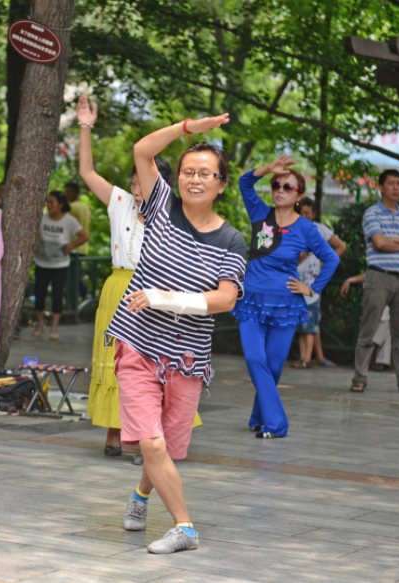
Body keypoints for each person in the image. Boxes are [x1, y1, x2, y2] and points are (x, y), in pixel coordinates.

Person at [107, 114, 246, 554]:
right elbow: (143, 152)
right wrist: (187, 128)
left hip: (187, 356)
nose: (194, 179)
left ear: (221, 184)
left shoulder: (231, 240)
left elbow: (225, 300)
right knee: (150, 440)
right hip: (138, 343)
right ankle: (185, 527)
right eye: (188, 171)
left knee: (164, 443)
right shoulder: (160, 204)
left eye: (205, 173)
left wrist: (165, 297)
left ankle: (140, 496)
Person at [76, 96, 201, 466]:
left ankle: (152, 440)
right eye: (134, 183)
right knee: (115, 360)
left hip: (155, 292)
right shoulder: (120, 203)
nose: (137, 190)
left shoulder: (177, 217)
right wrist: (85, 125)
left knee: (150, 361)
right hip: (118, 288)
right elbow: (86, 172)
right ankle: (114, 433)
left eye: (143, 184)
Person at [233, 157, 340, 439]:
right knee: (256, 358)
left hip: (286, 304)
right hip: (252, 301)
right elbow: (245, 182)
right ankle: (277, 424)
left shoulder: (307, 228)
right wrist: (268, 168)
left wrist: (312, 289)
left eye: (287, 186)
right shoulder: (259, 213)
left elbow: (330, 259)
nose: (280, 189)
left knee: (274, 365)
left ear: (299, 195)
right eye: (276, 184)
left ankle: (260, 416)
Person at [350, 170, 399, 395]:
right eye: (391, 183)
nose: (396, 187)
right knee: (369, 329)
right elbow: (379, 243)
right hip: (378, 276)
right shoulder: (371, 213)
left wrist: (391, 240)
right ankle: (359, 377)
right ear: (380, 187)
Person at [341, 249, 399, 370]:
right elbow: (371, 274)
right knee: (388, 316)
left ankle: (369, 343)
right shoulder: (386, 256)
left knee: (395, 311)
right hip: (389, 302)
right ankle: (381, 361)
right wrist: (350, 280)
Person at [291, 198, 346, 369]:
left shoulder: (320, 230)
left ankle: (311, 358)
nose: (304, 216)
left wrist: (325, 265)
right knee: (306, 323)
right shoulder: (293, 230)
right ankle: (314, 357)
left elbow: (340, 247)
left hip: (313, 283)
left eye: (307, 213)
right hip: (298, 283)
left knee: (311, 320)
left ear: (314, 214)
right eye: (301, 213)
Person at [32, 191, 88, 341]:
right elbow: (35, 237)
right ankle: (39, 323)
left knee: (57, 295)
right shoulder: (42, 219)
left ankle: (54, 327)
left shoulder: (69, 221)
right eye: (47, 203)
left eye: (52, 202)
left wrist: (70, 246)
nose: (48, 205)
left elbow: (84, 236)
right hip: (42, 263)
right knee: (39, 294)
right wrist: (36, 246)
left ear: (61, 205)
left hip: (60, 265)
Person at [65, 181, 91, 299]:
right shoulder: (85, 207)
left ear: (74, 192)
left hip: (74, 247)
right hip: (83, 248)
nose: (66, 195)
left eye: (68, 192)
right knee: (73, 276)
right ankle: (82, 297)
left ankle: (84, 295)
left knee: (72, 276)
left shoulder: (72, 207)